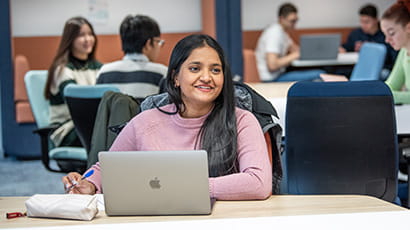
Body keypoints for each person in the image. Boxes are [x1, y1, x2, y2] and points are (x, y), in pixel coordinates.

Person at [63, 34, 272, 200]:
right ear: (175, 77)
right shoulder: (145, 122)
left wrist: (184, 187)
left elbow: (259, 182)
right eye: (195, 68)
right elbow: (104, 170)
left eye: (215, 70)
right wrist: (88, 183)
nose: (207, 77)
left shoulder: (241, 121)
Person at [44, 16, 102, 147]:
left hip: (90, 125)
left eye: (90, 34)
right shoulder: (62, 69)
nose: (88, 39)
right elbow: (78, 107)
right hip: (66, 131)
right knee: (105, 131)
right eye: (81, 35)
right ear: (70, 40)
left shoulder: (99, 68)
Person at [96, 15, 167, 99]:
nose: (159, 47)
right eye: (158, 42)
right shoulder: (162, 73)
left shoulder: (104, 71)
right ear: (148, 44)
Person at [255, 3, 324, 82]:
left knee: (318, 71)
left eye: (296, 20)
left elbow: (296, 49)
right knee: (320, 74)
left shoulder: (283, 33)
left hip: (278, 75)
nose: (294, 24)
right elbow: (272, 65)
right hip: (270, 79)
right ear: (281, 19)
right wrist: (295, 55)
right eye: (292, 21)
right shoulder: (274, 34)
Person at [340, 4, 398, 71]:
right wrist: (342, 49)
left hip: (381, 68)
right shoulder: (356, 34)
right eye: (361, 21)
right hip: (358, 66)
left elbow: (392, 57)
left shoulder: (385, 36)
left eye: (367, 22)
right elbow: (347, 47)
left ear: (376, 20)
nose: (363, 25)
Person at [382, 0, 410, 104]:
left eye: (391, 33)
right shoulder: (404, 51)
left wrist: (384, 96)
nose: (387, 40)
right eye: (385, 34)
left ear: (408, 28)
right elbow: (391, 85)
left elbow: (388, 93)